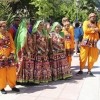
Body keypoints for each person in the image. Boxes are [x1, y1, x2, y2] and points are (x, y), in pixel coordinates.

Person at [0, 21, 20, 94]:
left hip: (10, 57)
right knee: (2, 73)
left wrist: (12, 54)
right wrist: (2, 55)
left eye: (6, 27)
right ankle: (2, 87)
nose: (5, 28)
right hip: (1, 58)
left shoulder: (8, 34)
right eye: (3, 27)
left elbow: (12, 45)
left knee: (12, 71)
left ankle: (12, 86)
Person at [15, 20, 35, 84]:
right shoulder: (24, 32)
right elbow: (25, 44)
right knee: (26, 66)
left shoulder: (25, 31)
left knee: (26, 66)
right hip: (26, 52)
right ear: (24, 24)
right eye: (27, 24)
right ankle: (24, 80)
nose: (28, 25)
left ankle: (24, 80)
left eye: (29, 24)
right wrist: (28, 52)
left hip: (27, 52)